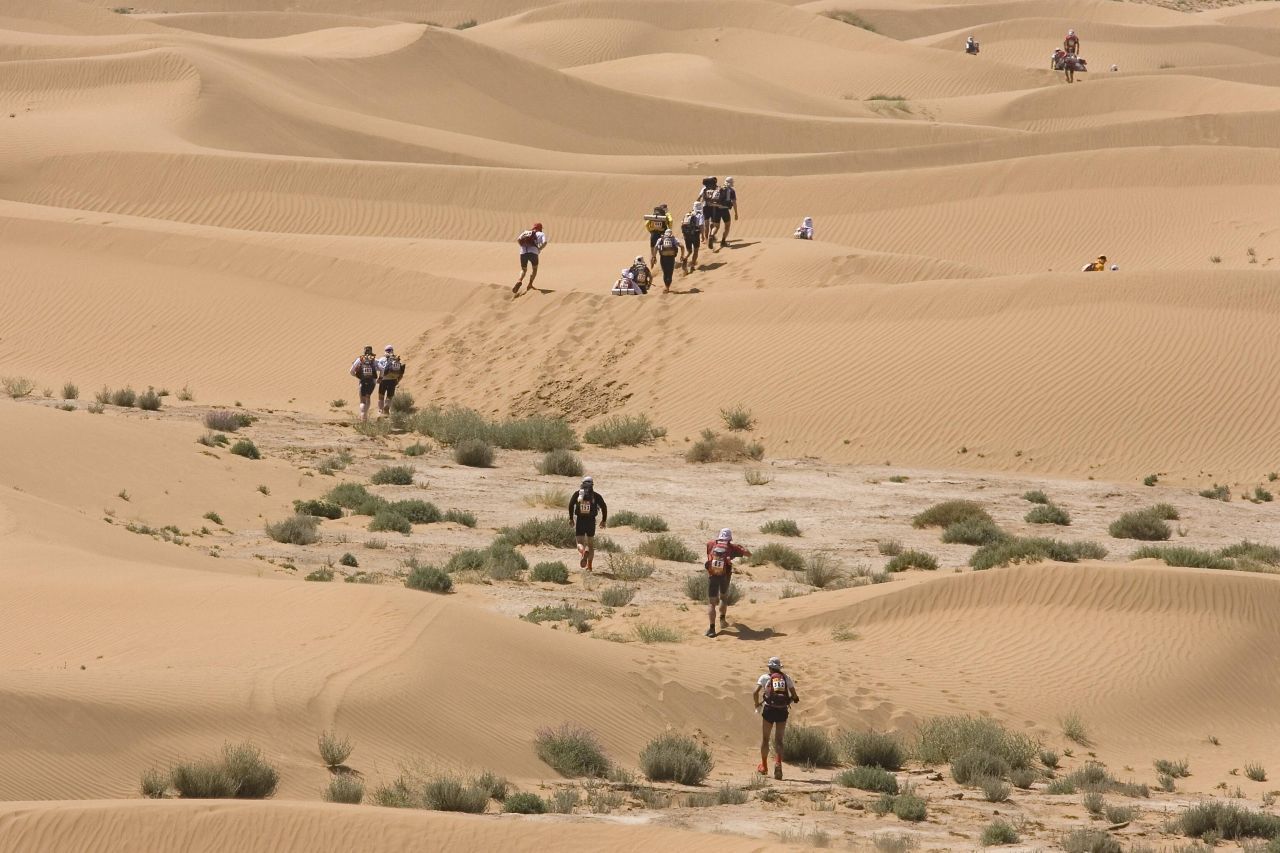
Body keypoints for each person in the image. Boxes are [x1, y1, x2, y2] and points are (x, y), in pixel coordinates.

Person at [753, 656, 800, 780]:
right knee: (779, 740)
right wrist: (794, 699)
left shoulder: (764, 678)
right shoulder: (786, 678)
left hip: (769, 710)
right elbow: (794, 695)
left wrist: (756, 704)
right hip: (782, 711)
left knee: (765, 739)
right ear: (779, 668)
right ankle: (778, 763)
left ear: (769, 667)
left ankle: (763, 766)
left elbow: (755, 692)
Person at [705, 527, 749, 637]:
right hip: (725, 576)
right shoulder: (732, 547)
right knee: (723, 597)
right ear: (729, 538)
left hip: (712, 575)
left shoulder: (710, 544)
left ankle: (711, 629)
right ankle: (722, 621)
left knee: (711, 603)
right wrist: (741, 547)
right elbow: (749, 554)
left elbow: (709, 556)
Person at [568, 476, 607, 571]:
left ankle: (582, 551)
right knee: (590, 544)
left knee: (579, 542)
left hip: (580, 520)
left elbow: (570, 505)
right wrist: (603, 520)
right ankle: (589, 566)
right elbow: (604, 507)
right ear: (592, 485)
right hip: (591, 521)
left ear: (582, 484)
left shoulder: (577, 494)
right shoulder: (596, 496)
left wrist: (571, 518)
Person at [513, 222, 548, 294]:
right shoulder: (541, 234)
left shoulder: (526, 232)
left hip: (523, 253)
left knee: (523, 269)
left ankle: (519, 280)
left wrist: (522, 247)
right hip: (533, 253)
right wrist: (540, 248)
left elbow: (518, 240)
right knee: (534, 269)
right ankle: (530, 284)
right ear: (540, 228)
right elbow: (545, 242)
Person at [348, 345, 380, 422]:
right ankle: (365, 414)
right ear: (371, 351)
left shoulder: (360, 359)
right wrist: (380, 377)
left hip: (362, 381)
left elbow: (351, 371)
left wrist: (357, 376)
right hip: (372, 382)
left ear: (364, 351)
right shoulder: (374, 360)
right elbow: (382, 368)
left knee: (362, 401)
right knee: (368, 397)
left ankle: (363, 416)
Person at [375, 344, 406, 415]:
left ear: (385, 351)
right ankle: (387, 408)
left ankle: (380, 411)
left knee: (381, 396)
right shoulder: (396, 359)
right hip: (393, 380)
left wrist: (379, 378)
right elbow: (401, 373)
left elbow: (379, 369)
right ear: (392, 351)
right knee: (389, 396)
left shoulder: (382, 359)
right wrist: (397, 382)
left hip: (384, 380)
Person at [654, 229, 685, 293]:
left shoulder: (661, 239)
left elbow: (656, 247)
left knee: (665, 273)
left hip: (663, 258)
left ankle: (666, 287)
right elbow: (682, 246)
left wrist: (654, 257)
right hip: (671, 258)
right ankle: (668, 287)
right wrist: (682, 255)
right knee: (670, 273)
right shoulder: (674, 239)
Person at [680, 203, 704, 271]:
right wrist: (702, 235)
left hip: (686, 235)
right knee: (696, 250)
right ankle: (692, 266)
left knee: (689, 251)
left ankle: (685, 258)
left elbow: (682, 224)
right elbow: (701, 225)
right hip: (695, 234)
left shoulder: (687, 214)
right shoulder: (700, 215)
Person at [717, 177, 739, 246]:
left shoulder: (719, 188)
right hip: (724, 210)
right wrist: (736, 213)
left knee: (715, 226)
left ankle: (711, 235)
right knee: (727, 226)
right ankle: (723, 242)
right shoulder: (731, 190)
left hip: (716, 209)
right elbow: (734, 202)